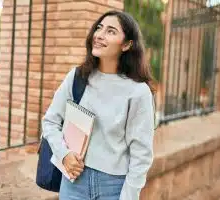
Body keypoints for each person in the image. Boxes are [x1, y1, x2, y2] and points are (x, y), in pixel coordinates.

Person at [42, 10, 155, 200]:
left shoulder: (138, 91)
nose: (100, 35)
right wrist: (64, 154)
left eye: (111, 31)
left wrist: (129, 196)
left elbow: (141, 154)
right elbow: (50, 122)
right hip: (73, 182)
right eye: (99, 28)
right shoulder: (77, 77)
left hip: (114, 186)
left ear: (127, 45)